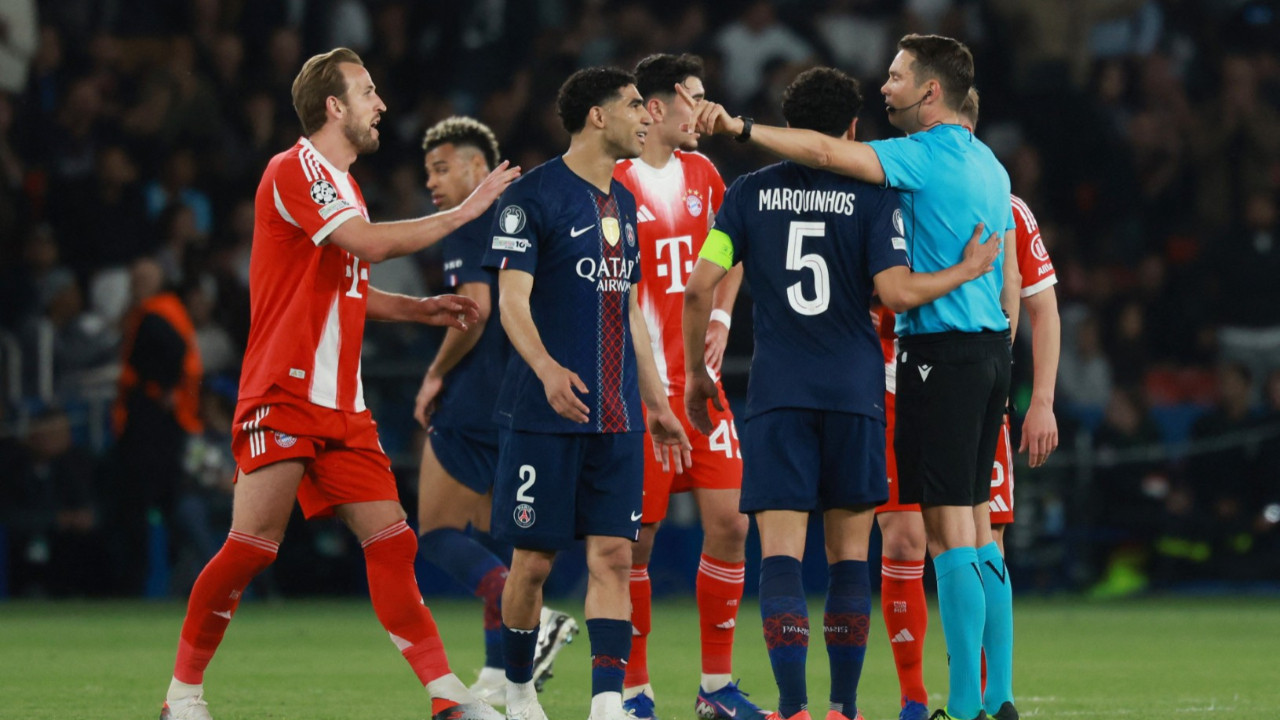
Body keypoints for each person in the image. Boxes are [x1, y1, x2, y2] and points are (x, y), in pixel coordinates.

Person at [157, 47, 520, 720]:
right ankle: (182, 695)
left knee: (393, 541)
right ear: (334, 105)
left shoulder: (344, 188)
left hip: (342, 404)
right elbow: (369, 246)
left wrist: (415, 309)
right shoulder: (294, 168)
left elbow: (345, 283)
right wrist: (466, 212)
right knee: (252, 546)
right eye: (367, 91)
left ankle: (447, 697)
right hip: (284, 392)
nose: (380, 103)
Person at [688, 34, 1021, 720]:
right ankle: (866, 705)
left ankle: (803, 708)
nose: (886, 89)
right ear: (848, 126)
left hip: (789, 388)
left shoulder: (749, 194)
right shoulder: (939, 180)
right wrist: (974, 286)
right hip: (881, 384)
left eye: (898, 77)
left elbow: (701, 285)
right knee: (911, 544)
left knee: (796, 555)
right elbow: (933, 283)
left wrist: (699, 365)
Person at [481, 66, 692, 720]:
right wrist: (547, 368)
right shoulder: (532, 197)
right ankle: (519, 691)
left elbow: (630, 312)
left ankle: (606, 704)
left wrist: (656, 403)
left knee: (614, 557)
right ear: (597, 116)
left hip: (617, 416)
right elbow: (510, 301)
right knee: (533, 564)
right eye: (634, 105)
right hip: (544, 415)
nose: (647, 117)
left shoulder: (624, 203)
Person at [873, 87, 1060, 720]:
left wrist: (1040, 400)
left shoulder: (1006, 207)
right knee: (909, 539)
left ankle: (978, 699)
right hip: (901, 383)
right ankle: (922, 699)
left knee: (972, 537)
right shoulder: (894, 196)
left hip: (956, 377)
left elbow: (1039, 305)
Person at [611, 53, 762, 720]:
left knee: (732, 522)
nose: (704, 111)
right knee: (634, 544)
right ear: (657, 106)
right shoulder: (614, 183)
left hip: (702, 387)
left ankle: (715, 686)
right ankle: (635, 691)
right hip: (639, 390)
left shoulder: (705, 174)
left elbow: (734, 254)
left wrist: (722, 317)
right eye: (694, 98)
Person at [411, 116, 577, 705]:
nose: (432, 182)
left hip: (475, 395)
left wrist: (435, 373)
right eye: (428, 171)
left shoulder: (470, 219)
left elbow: (474, 309)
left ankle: (538, 617)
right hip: (523, 395)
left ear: (479, 167)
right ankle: (496, 668)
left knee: (436, 531)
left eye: (442, 168)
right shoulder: (529, 211)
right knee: (495, 530)